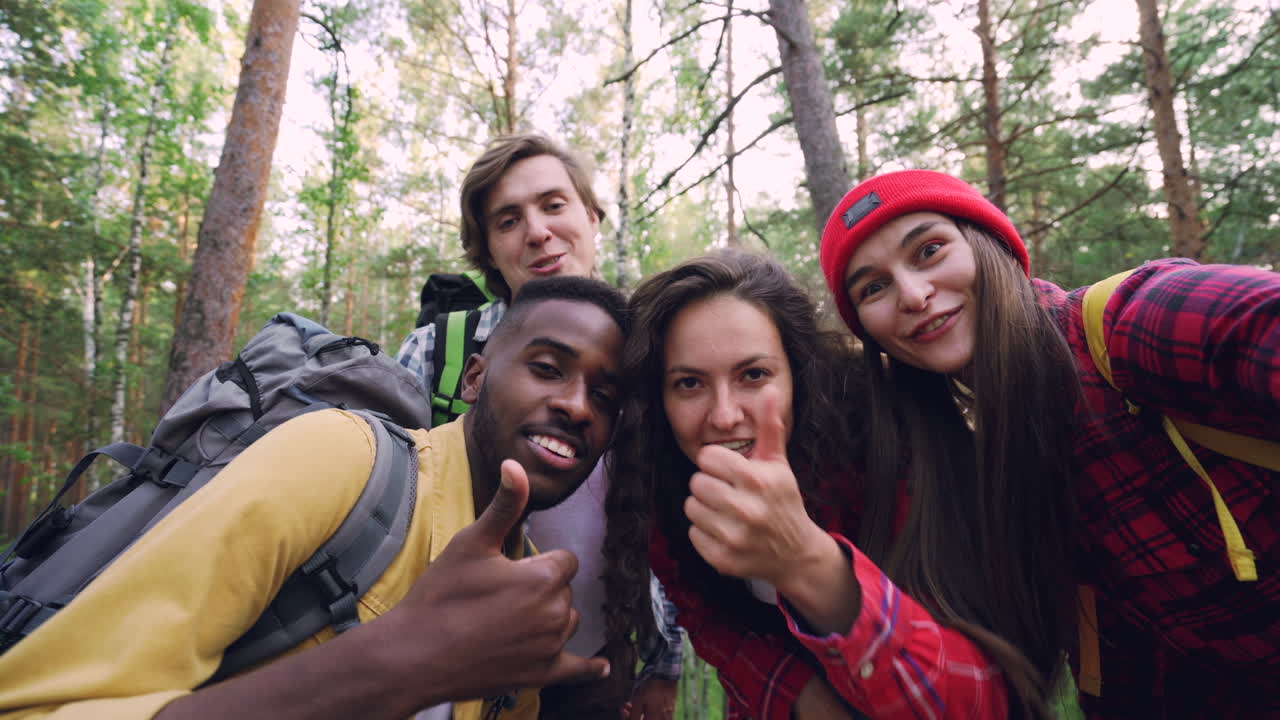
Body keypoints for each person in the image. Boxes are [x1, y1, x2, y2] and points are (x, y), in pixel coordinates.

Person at [0, 276, 628, 720]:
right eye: (547, 368)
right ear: (474, 376)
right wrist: (401, 664)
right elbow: (39, 706)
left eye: (604, 395)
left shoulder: (529, 584)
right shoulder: (342, 458)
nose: (576, 405)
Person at [818, 169, 1280, 718]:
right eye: (874, 287)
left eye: (929, 250)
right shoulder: (962, 453)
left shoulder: (1136, 321)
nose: (913, 295)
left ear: (991, 246)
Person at [606, 249, 1036, 720]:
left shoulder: (891, 465)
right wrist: (810, 702)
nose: (724, 415)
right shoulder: (666, 493)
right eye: (689, 383)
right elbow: (719, 633)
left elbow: (978, 703)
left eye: (754, 375)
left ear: (798, 374)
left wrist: (807, 564)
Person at [396, 132, 684, 720]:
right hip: (453, 671)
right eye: (508, 220)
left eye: (554, 205)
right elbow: (387, 504)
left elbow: (668, 521)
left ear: (592, 216)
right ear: (489, 250)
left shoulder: (654, 357)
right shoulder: (438, 351)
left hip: (596, 672)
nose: (536, 231)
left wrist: (662, 662)